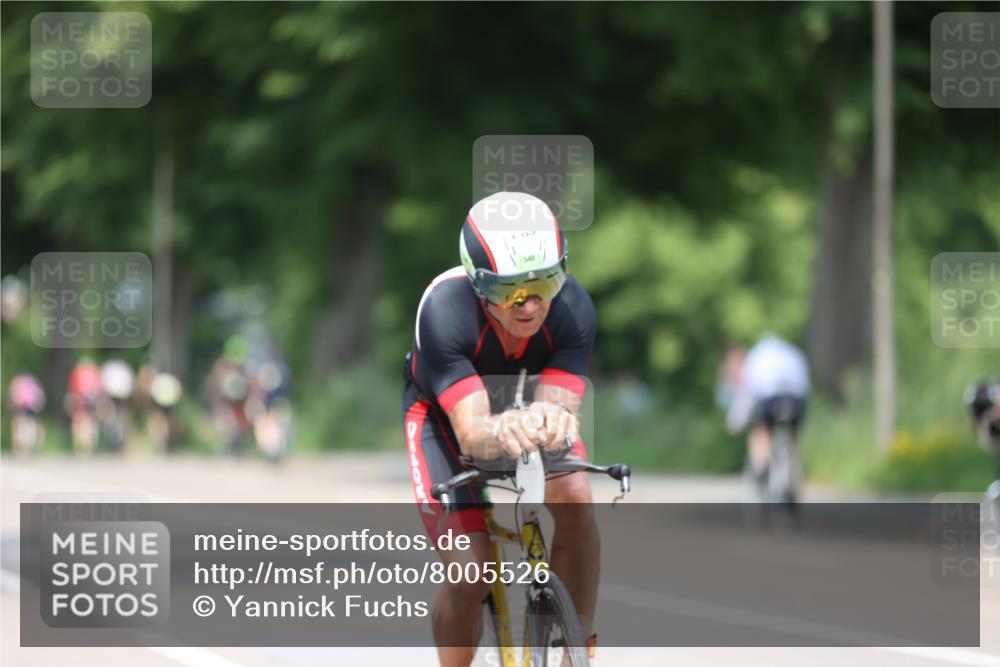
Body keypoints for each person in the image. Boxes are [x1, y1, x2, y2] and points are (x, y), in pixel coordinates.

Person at [402, 192, 598, 666]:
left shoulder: (573, 308)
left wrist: (553, 420)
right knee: (472, 572)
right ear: (477, 282)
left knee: (573, 493)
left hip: (521, 404)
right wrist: (505, 428)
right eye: (509, 291)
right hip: (444, 420)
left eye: (544, 283)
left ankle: (577, 650)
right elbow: (471, 432)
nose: (530, 305)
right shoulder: (444, 310)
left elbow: (557, 408)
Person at [725, 334, 811, 503]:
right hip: (798, 396)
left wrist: (734, 422)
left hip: (771, 396)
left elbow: (745, 399)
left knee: (761, 430)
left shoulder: (753, 360)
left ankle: (762, 468)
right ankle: (791, 474)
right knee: (793, 436)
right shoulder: (789, 352)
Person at [67, 357, 102, 456]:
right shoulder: (95, 372)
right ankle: (88, 445)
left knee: (78, 420)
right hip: (92, 399)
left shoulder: (77, 372)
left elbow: (73, 389)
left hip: (80, 398)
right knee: (89, 421)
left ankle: (78, 443)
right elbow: (99, 388)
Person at [9, 373, 46, 456]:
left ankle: (23, 447)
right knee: (33, 424)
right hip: (34, 407)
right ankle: (33, 444)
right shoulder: (34, 382)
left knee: (21, 425)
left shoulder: (18, 381)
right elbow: (40, 396)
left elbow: (14, 394)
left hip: (22, 406)